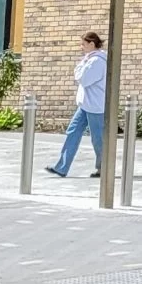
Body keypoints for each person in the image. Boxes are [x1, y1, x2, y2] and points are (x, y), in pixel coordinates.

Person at [47, 32, 108, 178]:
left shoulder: (97, 61)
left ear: (92, 44)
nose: (81, 47)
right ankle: (62, 167)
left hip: (95, 106)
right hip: (85, 105)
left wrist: (80, 68)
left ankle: (104, 168)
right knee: (72, 132)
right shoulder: (89, 59)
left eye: (83, 44)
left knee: (98, 139)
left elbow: (84, 79)